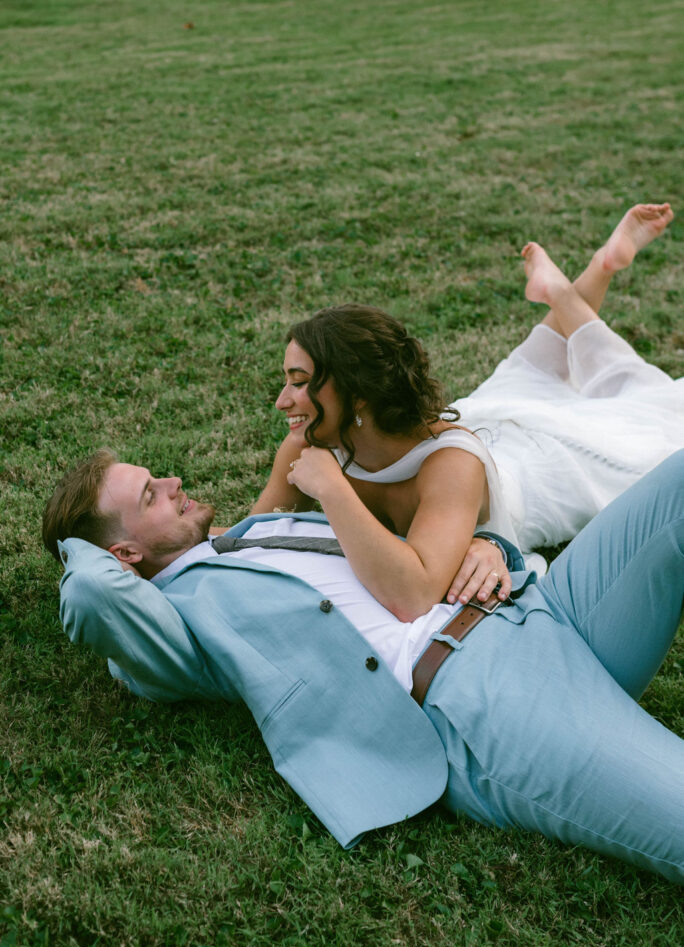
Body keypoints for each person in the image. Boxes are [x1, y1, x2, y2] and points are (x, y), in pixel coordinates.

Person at [43, 447, 684, 883]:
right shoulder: (178, 629)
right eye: (152, 495)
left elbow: (411, 558)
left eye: (159, 477)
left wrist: (489, 547)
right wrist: (83, 546)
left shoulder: (253, 534)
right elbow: (93, 593)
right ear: (123, 553)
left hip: (545, 606)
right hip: (484, 698)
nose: (175, 483)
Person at [253, 203, 681, 618]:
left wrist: (332, 488)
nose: (283, 400)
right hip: (481, 422)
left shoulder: (448, 464)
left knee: (656, 422)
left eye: (299, 381)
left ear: (357, 391)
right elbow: (250, 539)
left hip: (544, 470)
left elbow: (414, 594)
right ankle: (577, 283)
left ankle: (571, 288)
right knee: (535, 367)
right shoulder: (307, 446)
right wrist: (190, 538)